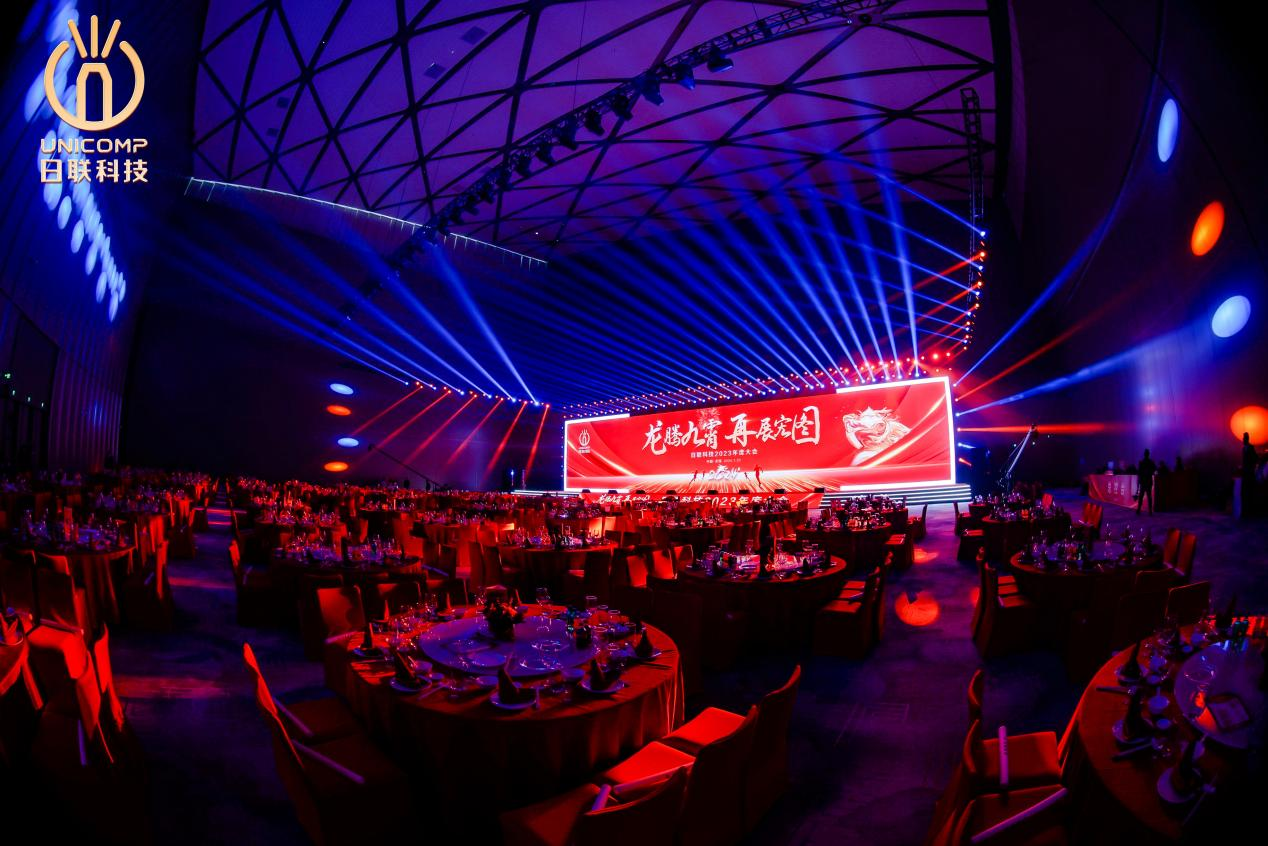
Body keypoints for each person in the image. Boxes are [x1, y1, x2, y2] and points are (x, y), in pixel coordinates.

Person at [1242, 432, 1258, 519]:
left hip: (1249, 471)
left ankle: (1250, 510)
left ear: (1247, 439)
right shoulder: (1244, 448)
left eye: (1244, 438)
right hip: (1246, 471)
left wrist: (1251, 466)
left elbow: (1255, 458)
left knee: (1249, 490)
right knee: (1247, 490)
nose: (1243, 440)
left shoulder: (1250, 448)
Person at [1136, 448, 1157, 515]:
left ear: (1144, 454)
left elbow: (1139, 472)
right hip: (1148, 481)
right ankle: (1150, 511)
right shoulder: (1151, 462)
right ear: (1148, 454)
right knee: (1149, 496)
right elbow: (1154, 470)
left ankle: (1139, 509)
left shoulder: (1141, 462)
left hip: (1143, 481)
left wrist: (1140, 480)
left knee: (1141, 496)